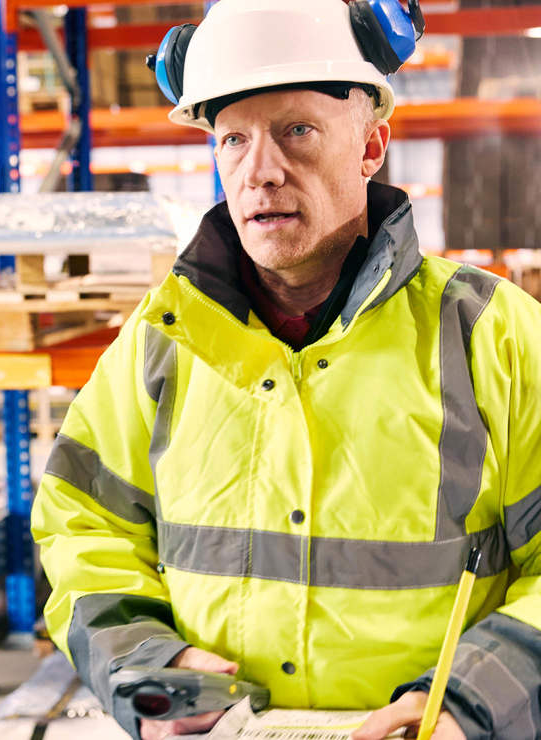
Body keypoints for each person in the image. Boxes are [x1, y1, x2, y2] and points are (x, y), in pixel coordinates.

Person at [31, 0, 541, 738]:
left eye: (296, 132)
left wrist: (466, 703)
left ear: (371, 148)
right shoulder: (160, 342)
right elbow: (84, 527)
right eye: (233, 138)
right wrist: (144, 663)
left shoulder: (491, 335)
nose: (259, 171)